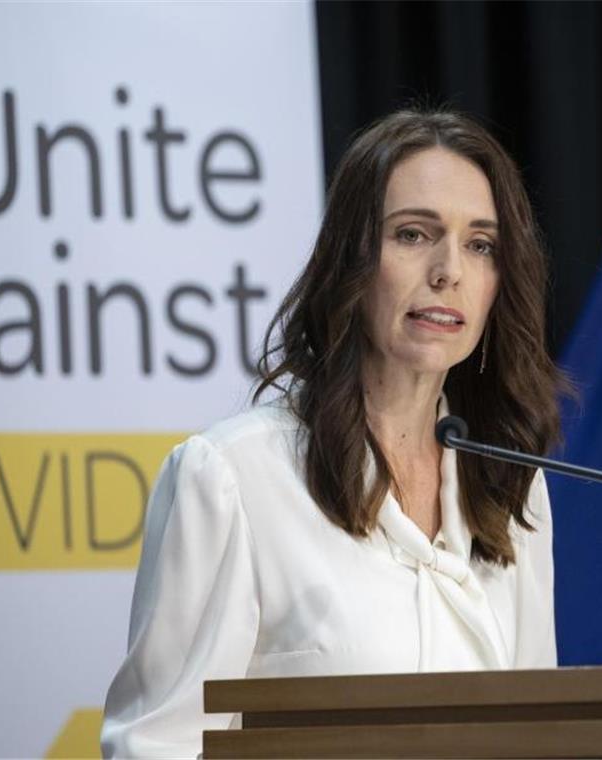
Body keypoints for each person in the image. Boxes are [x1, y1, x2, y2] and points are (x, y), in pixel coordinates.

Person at [100, 109, 567, 758]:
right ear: (351, 258)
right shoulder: (233, 478)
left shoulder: (513, 487)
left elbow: (536, 734)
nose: (449, 271)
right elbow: (156, 744)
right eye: (413, 234)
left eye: (481, 245)